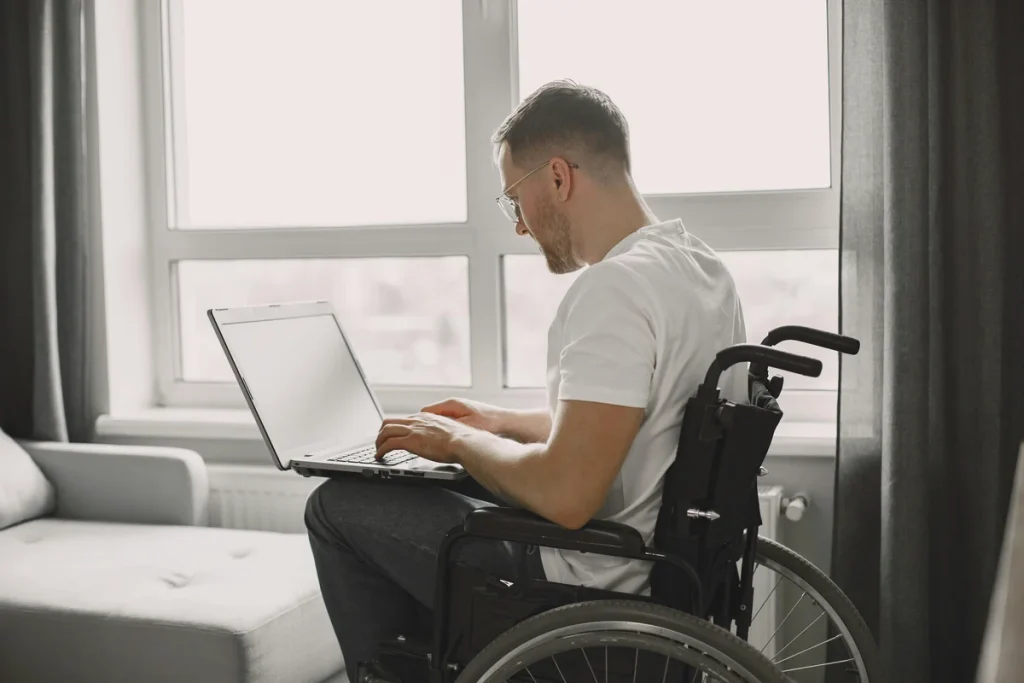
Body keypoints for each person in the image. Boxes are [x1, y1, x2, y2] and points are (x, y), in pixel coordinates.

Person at [304, 80, 748, 680]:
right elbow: (642, 424)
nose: (518, 226)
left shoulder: (613, 290)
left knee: (337, 505)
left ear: (558, 178)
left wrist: (461, 444)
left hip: (589, 582)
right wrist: (496, 422)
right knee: (419, 482)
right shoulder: (698, 268)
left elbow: (567, 496)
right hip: (665, 567)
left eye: (515, 199)